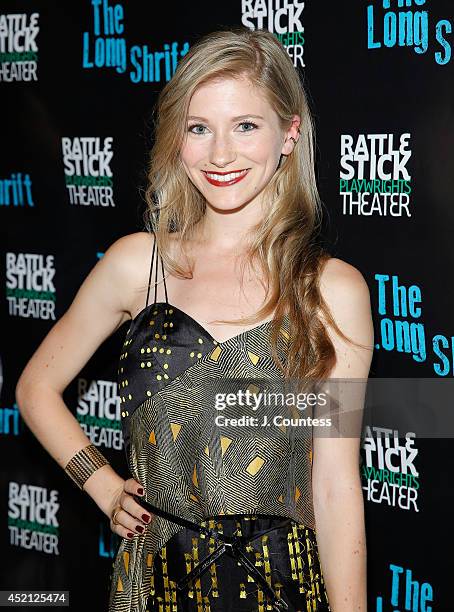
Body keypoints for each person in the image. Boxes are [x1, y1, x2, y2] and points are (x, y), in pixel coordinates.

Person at [16, 27, 374, 612]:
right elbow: (35, 388)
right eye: (199, 128)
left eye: (246, 126)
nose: (220, 155)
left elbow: (335, 484)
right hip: (153, 583)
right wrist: (103, 487)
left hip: (280, 588)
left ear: (289, 134)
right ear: (177, 139)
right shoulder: (139, 263)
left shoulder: (332, 289)